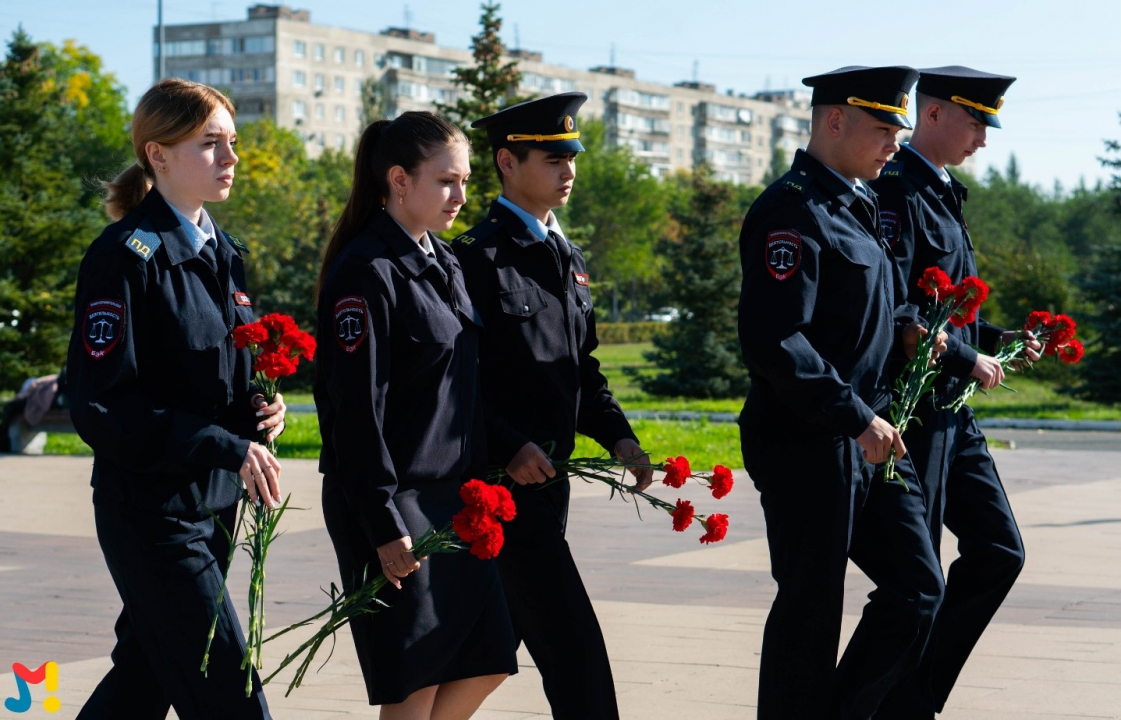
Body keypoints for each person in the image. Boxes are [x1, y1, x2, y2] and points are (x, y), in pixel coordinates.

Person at [68, 78, 286, 719]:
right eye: (211, 143)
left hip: (214, 507)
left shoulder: (224, 255)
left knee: (143, 680)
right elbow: (101, 403)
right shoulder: (126, 257)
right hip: (151, 513)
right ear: (158, 155)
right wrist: (224, 443)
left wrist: (257, 412)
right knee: (229, 691)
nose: (231, 157)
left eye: (233, 142)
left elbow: (213, 377)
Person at [737, 66, 948, 719]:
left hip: (871, 438)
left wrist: (909, 331)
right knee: (810, 609)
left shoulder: (856, 203)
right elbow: (777, 340)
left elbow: (863, 314)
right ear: (834, 121)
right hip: (810, 439)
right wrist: (854, 417)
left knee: (918, 588)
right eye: (883, 128)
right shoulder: (790, 209)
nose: (894, 142)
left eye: (899, 129)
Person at [452, 92, 652, 719]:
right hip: (499, 490)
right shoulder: (475, 259)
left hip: (549, 485)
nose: (568, 170)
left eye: (572, 156)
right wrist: (508, 444)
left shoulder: (567, 257)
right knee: (575, 652)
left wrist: (618, 437)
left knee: (484, 655)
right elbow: (457, 384)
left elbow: (580, 371)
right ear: (507, 163)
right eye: (552, 158)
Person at [314, 111, 516, 718]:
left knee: (487, 660)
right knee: (415, 684)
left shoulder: (443, 261)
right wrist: (381, 520)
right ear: (399, 180)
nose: (462, 195)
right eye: (446, 181)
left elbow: (458, 391)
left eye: (465, 180)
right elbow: (353, 410)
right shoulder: (366, 271)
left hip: (451, 499)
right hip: (392, 501)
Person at [870, 66, 1038, 719]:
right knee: (921, 577)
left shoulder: (941, 191)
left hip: (950, 413)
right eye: (974, 121)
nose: (982, 139)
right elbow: (898, 311)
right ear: (933, 114)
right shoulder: (895, 192)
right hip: (913, 413)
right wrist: (967, 356)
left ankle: (911, 699)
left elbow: (949, 313)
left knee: (999, 551)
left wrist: (999, 337)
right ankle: (889, 703)